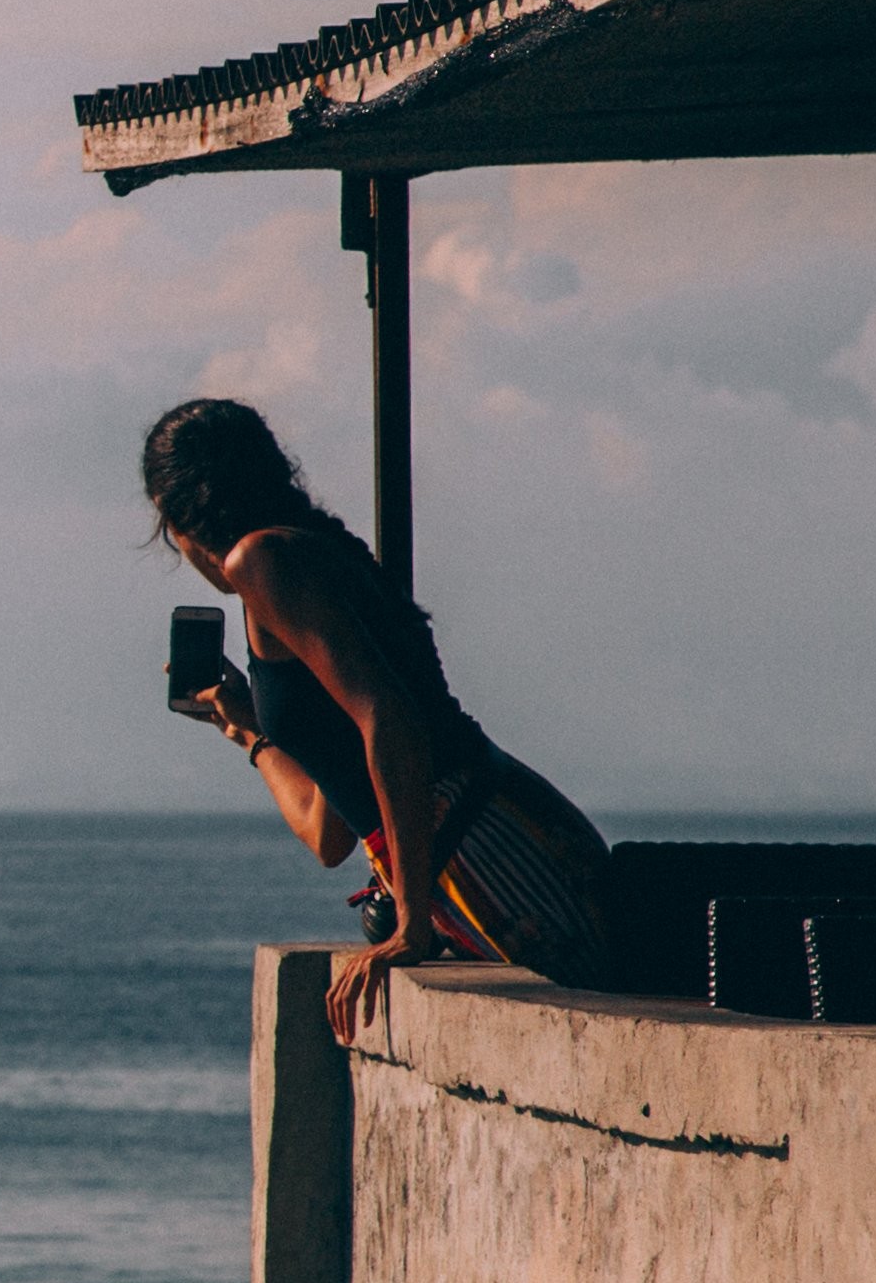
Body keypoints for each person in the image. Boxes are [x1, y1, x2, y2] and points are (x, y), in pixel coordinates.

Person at [144, 396, 609, 1043]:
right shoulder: (311, 553)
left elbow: (388, 716)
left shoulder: (262, 562)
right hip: (486, 829)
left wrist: (409, 927)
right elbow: (330, 833)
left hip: (482, 845)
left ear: (179, 516)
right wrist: (249, 729)